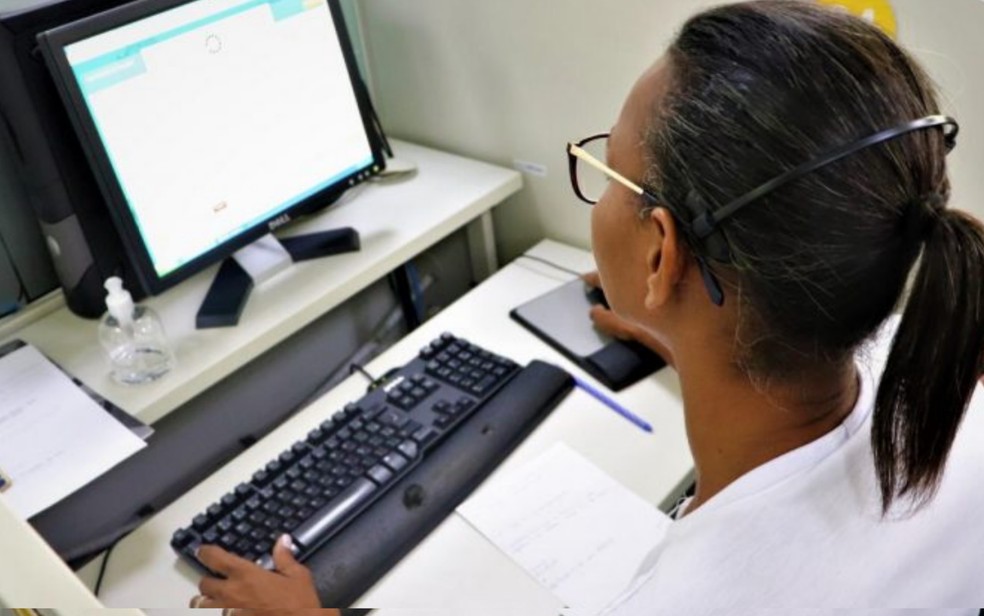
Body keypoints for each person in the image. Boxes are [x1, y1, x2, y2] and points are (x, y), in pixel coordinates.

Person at [188, 1, 984, 613]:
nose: (600, 190)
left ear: (661, 253)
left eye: (609, 172)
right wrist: (681, 332)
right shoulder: (938, 378)